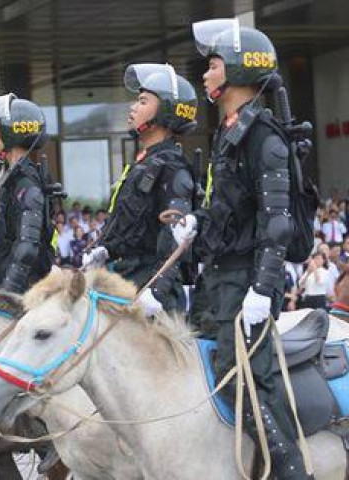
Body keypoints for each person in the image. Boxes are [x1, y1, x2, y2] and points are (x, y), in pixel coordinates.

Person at [173, 18, 310, 478]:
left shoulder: (263, 138)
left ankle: (291, 470)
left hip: (248, 281)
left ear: (234, 71)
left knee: (248, 382)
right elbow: (228, 211)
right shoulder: (229, 135)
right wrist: (196, 222)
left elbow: (279, 225)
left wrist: (261, 289)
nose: (205, 75)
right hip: (219, 280)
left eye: (211, 65)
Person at [84, 63, 197, 314]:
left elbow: (176, 241)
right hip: (126, 283)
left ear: (166, 111)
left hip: (151, 297)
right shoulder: (143, 164)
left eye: (143, 102)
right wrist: (106, 248)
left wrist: (157, 292)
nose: (133, 107)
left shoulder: (173, 169)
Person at [0, 93, 55, 293]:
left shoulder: (26, 185)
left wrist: (7, 292)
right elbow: (2, 236)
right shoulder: (13, 180)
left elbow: (27, 248)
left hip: (19, 295)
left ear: (12, 133)